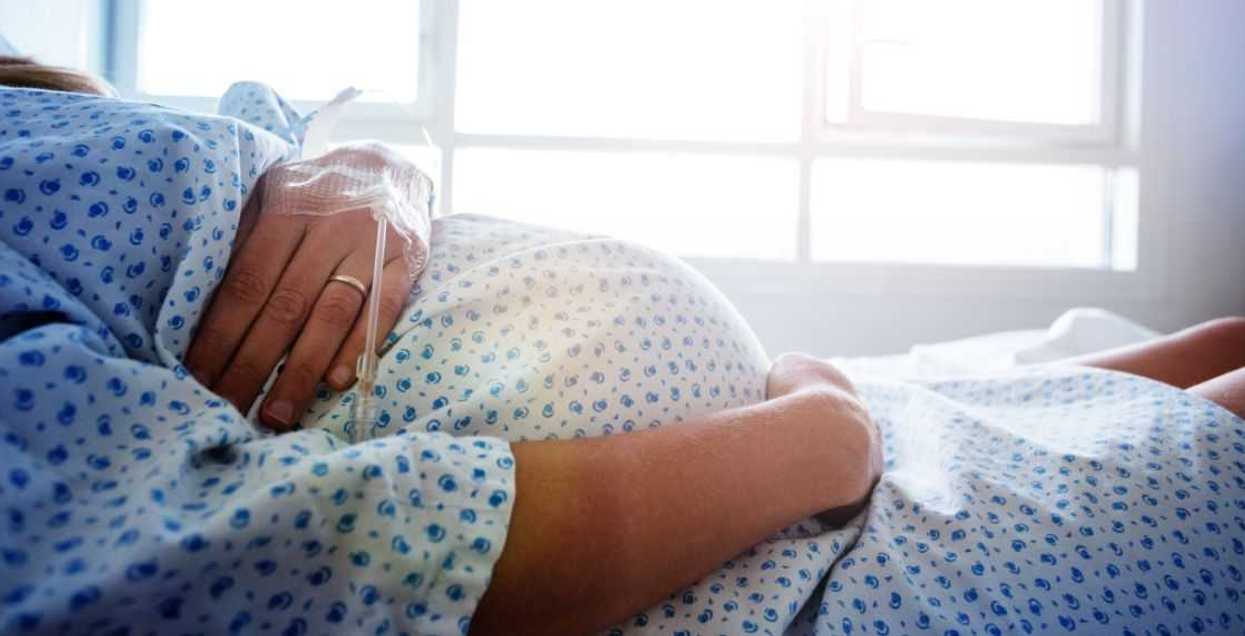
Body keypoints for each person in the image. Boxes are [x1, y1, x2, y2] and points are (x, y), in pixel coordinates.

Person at [1, 58, 1242, 635]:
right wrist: (820, 441)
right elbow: (329, 556)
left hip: (804, 448)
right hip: (796, 553)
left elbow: (245, 140)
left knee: (1219, 343)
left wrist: (375, 170)